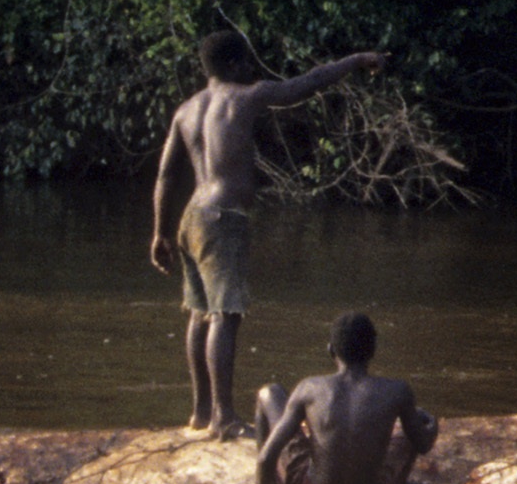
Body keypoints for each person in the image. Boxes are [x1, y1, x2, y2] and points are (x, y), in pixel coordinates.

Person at [148, 30, 386, 437]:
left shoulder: (185, 111)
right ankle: (223, 417)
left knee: (200, 314)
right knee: (225, 314)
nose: (251, 69)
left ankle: (201, 413)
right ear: (233, 65)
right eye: (245, 63)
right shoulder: (246, 96)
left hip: (191, 216)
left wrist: (160, 234)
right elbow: (306, 83)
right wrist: (358, 58)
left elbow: (167, 174)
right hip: (223, 216)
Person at [250, 316, 438, 484]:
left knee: (269, 392)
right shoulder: (398, 391)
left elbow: (266, 457)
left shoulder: (310, 387)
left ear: (331, 350)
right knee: (414, 419)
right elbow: (422, 444)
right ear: (372, 351)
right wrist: (431, 425)